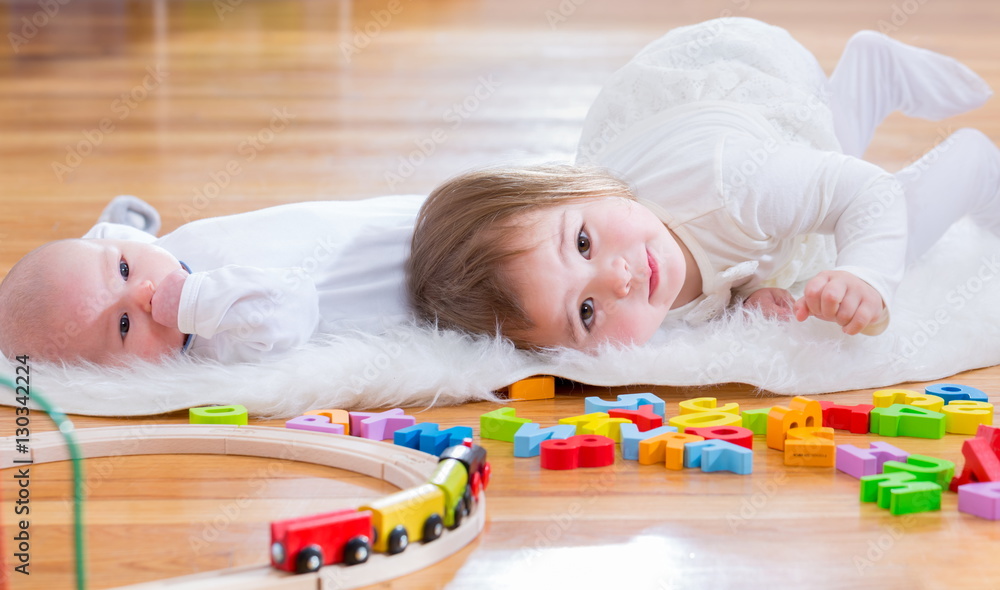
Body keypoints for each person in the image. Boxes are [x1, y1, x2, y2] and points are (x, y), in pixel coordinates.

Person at [407, 17, 998, 351]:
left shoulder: (731, 186)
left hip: (748, 111)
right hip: (730, 164)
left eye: (583, 243)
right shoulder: (643, 264)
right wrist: (748, 296)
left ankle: (971, 164)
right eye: (586, 312)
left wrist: (867, 273)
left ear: (571, 187)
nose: (618, 277)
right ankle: (867, 76)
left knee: (873, 219)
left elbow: (867, 193)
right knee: (811, 183)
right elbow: (713, 276)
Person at [0, 194, 423, 365]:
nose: (143, 293)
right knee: (464, 243)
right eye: (125, 325)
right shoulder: (218, 342)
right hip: (402, 272)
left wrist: (115, 228)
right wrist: (194, 302)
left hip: (350, 224)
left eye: (125, 270)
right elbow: (296, 305)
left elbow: (103, 248)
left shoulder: (143, 255)